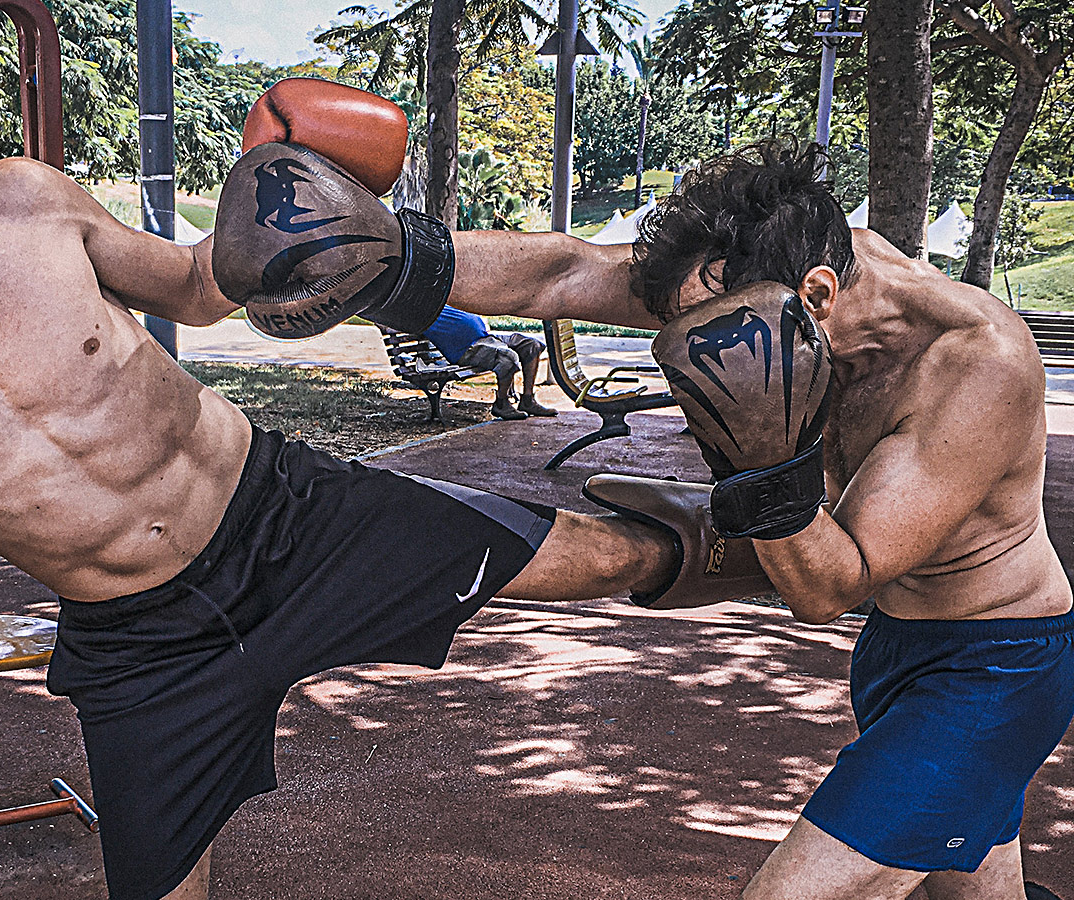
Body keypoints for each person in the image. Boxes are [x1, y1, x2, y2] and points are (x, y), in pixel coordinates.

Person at [0, 29, 760, 900]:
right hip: (142, 643)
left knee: (583, 557)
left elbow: (194, 287)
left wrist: (281, 202)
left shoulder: (20, 200)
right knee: (156, 886)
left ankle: (812, 556)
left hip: (281, 514)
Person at [264, 137, 1073, 900]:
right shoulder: (756, 285)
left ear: (820, 296)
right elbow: (563, 270)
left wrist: (763, 465)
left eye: (716, 347)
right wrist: (394, 257)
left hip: (995, 670)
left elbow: (832, 584)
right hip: (896, 650)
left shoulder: (972, 367)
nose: (704, 361)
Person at [420, 306, 556, 420]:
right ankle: (502, 404)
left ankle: (528, 400)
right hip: (467, 349)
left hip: (484, 336)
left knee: (532, 345)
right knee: (507, 357)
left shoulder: (444, 298)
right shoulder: (420, 310)